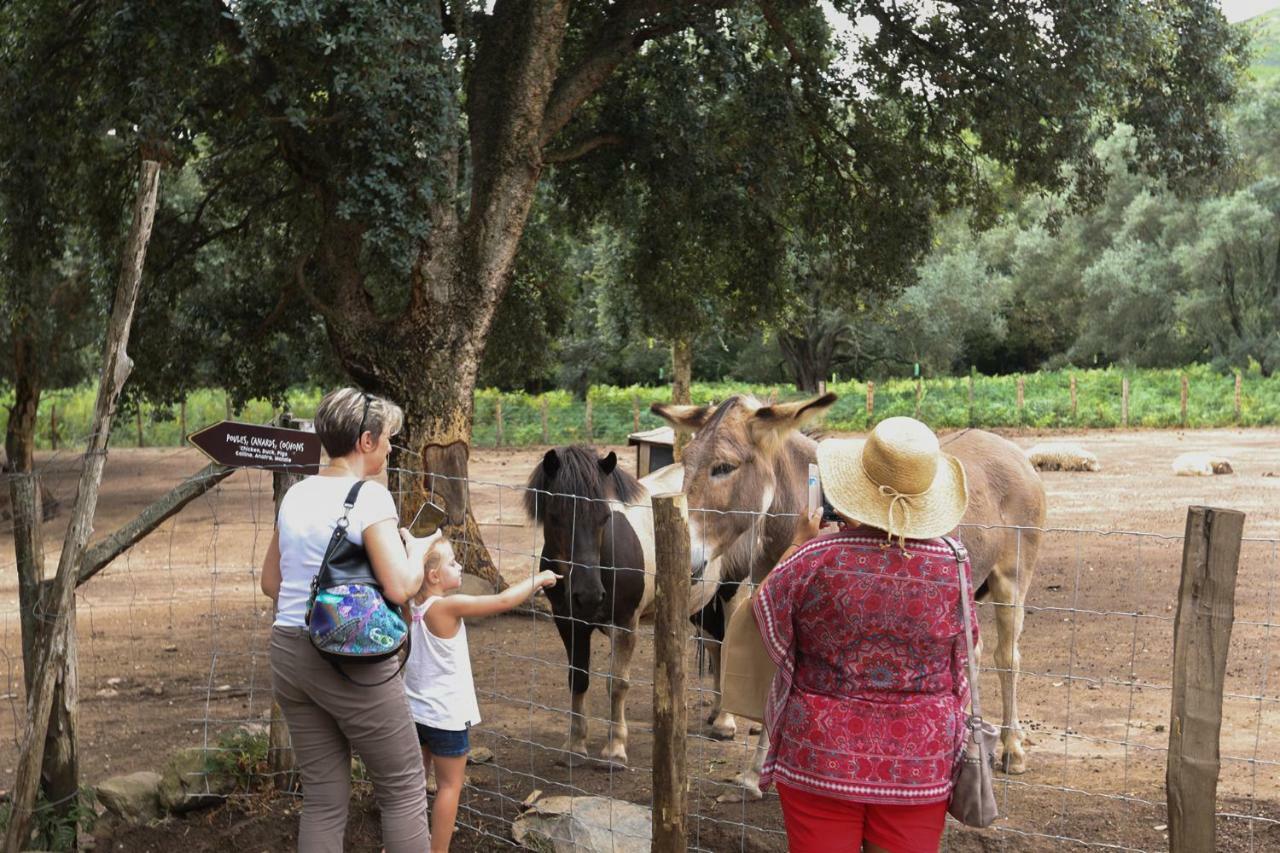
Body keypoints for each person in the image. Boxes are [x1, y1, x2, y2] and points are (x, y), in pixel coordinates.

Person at [753, 416, 979, 853]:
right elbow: (963, 651)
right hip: (920, 759)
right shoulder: (954, 562)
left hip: (820, 754)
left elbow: (762, 612)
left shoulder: (816, 556)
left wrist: (798, 545)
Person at [261, 387, 439, 853]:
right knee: (402, 787)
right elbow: (401, 587)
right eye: (387, 439)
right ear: (365, 440)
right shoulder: (370, 499)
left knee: (322, 797)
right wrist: (416, 553)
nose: (389, 448)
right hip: (348, 659)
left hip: (288, 652)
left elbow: (270, 582)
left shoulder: (296, 493)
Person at [404, 535, 559, 853]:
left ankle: (401, 843)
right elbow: (502, 602)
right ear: (434, 576)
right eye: (451, 562)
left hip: (414, 713)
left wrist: (411, 544)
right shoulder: (448, 607)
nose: (459, 565)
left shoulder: (410, 605)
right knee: (449, 787)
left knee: (413, 787)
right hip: (446, 717)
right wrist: (539, 578)